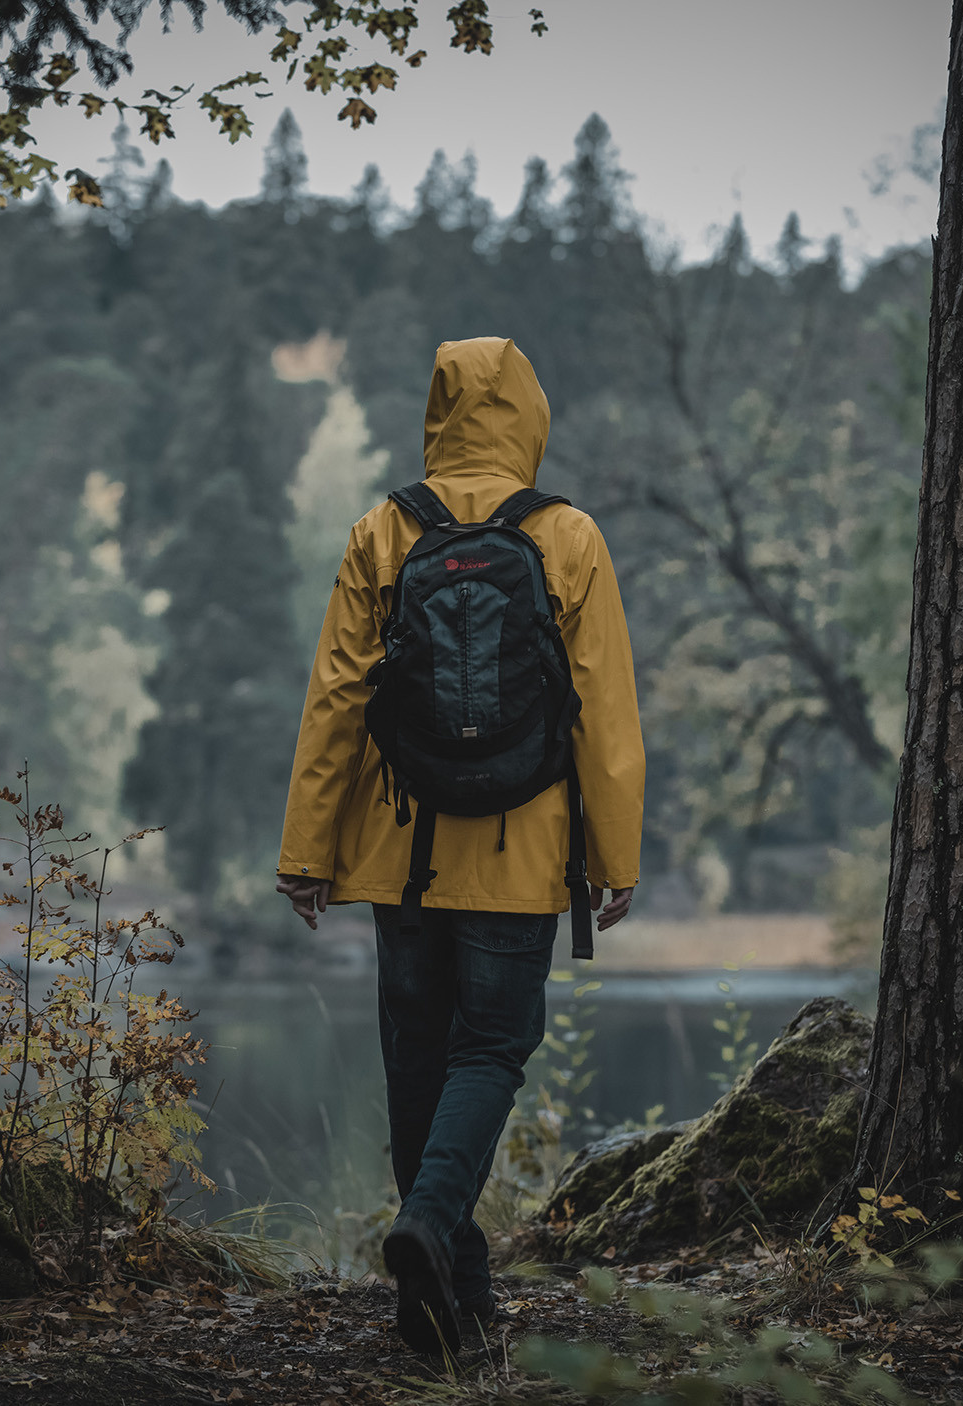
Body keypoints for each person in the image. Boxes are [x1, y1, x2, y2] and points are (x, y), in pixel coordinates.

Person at [274, 336, 644, 1356]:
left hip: (403, 846)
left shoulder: (383, 531)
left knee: (415, 1056)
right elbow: (604, 715)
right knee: (489, 1049)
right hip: (523, 851)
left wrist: (307, 849)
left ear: (436, 412)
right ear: (529, 414)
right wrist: (615, 856)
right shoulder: (567, 536)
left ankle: (440, 1306)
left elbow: (336, 700)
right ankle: (435, 1241)